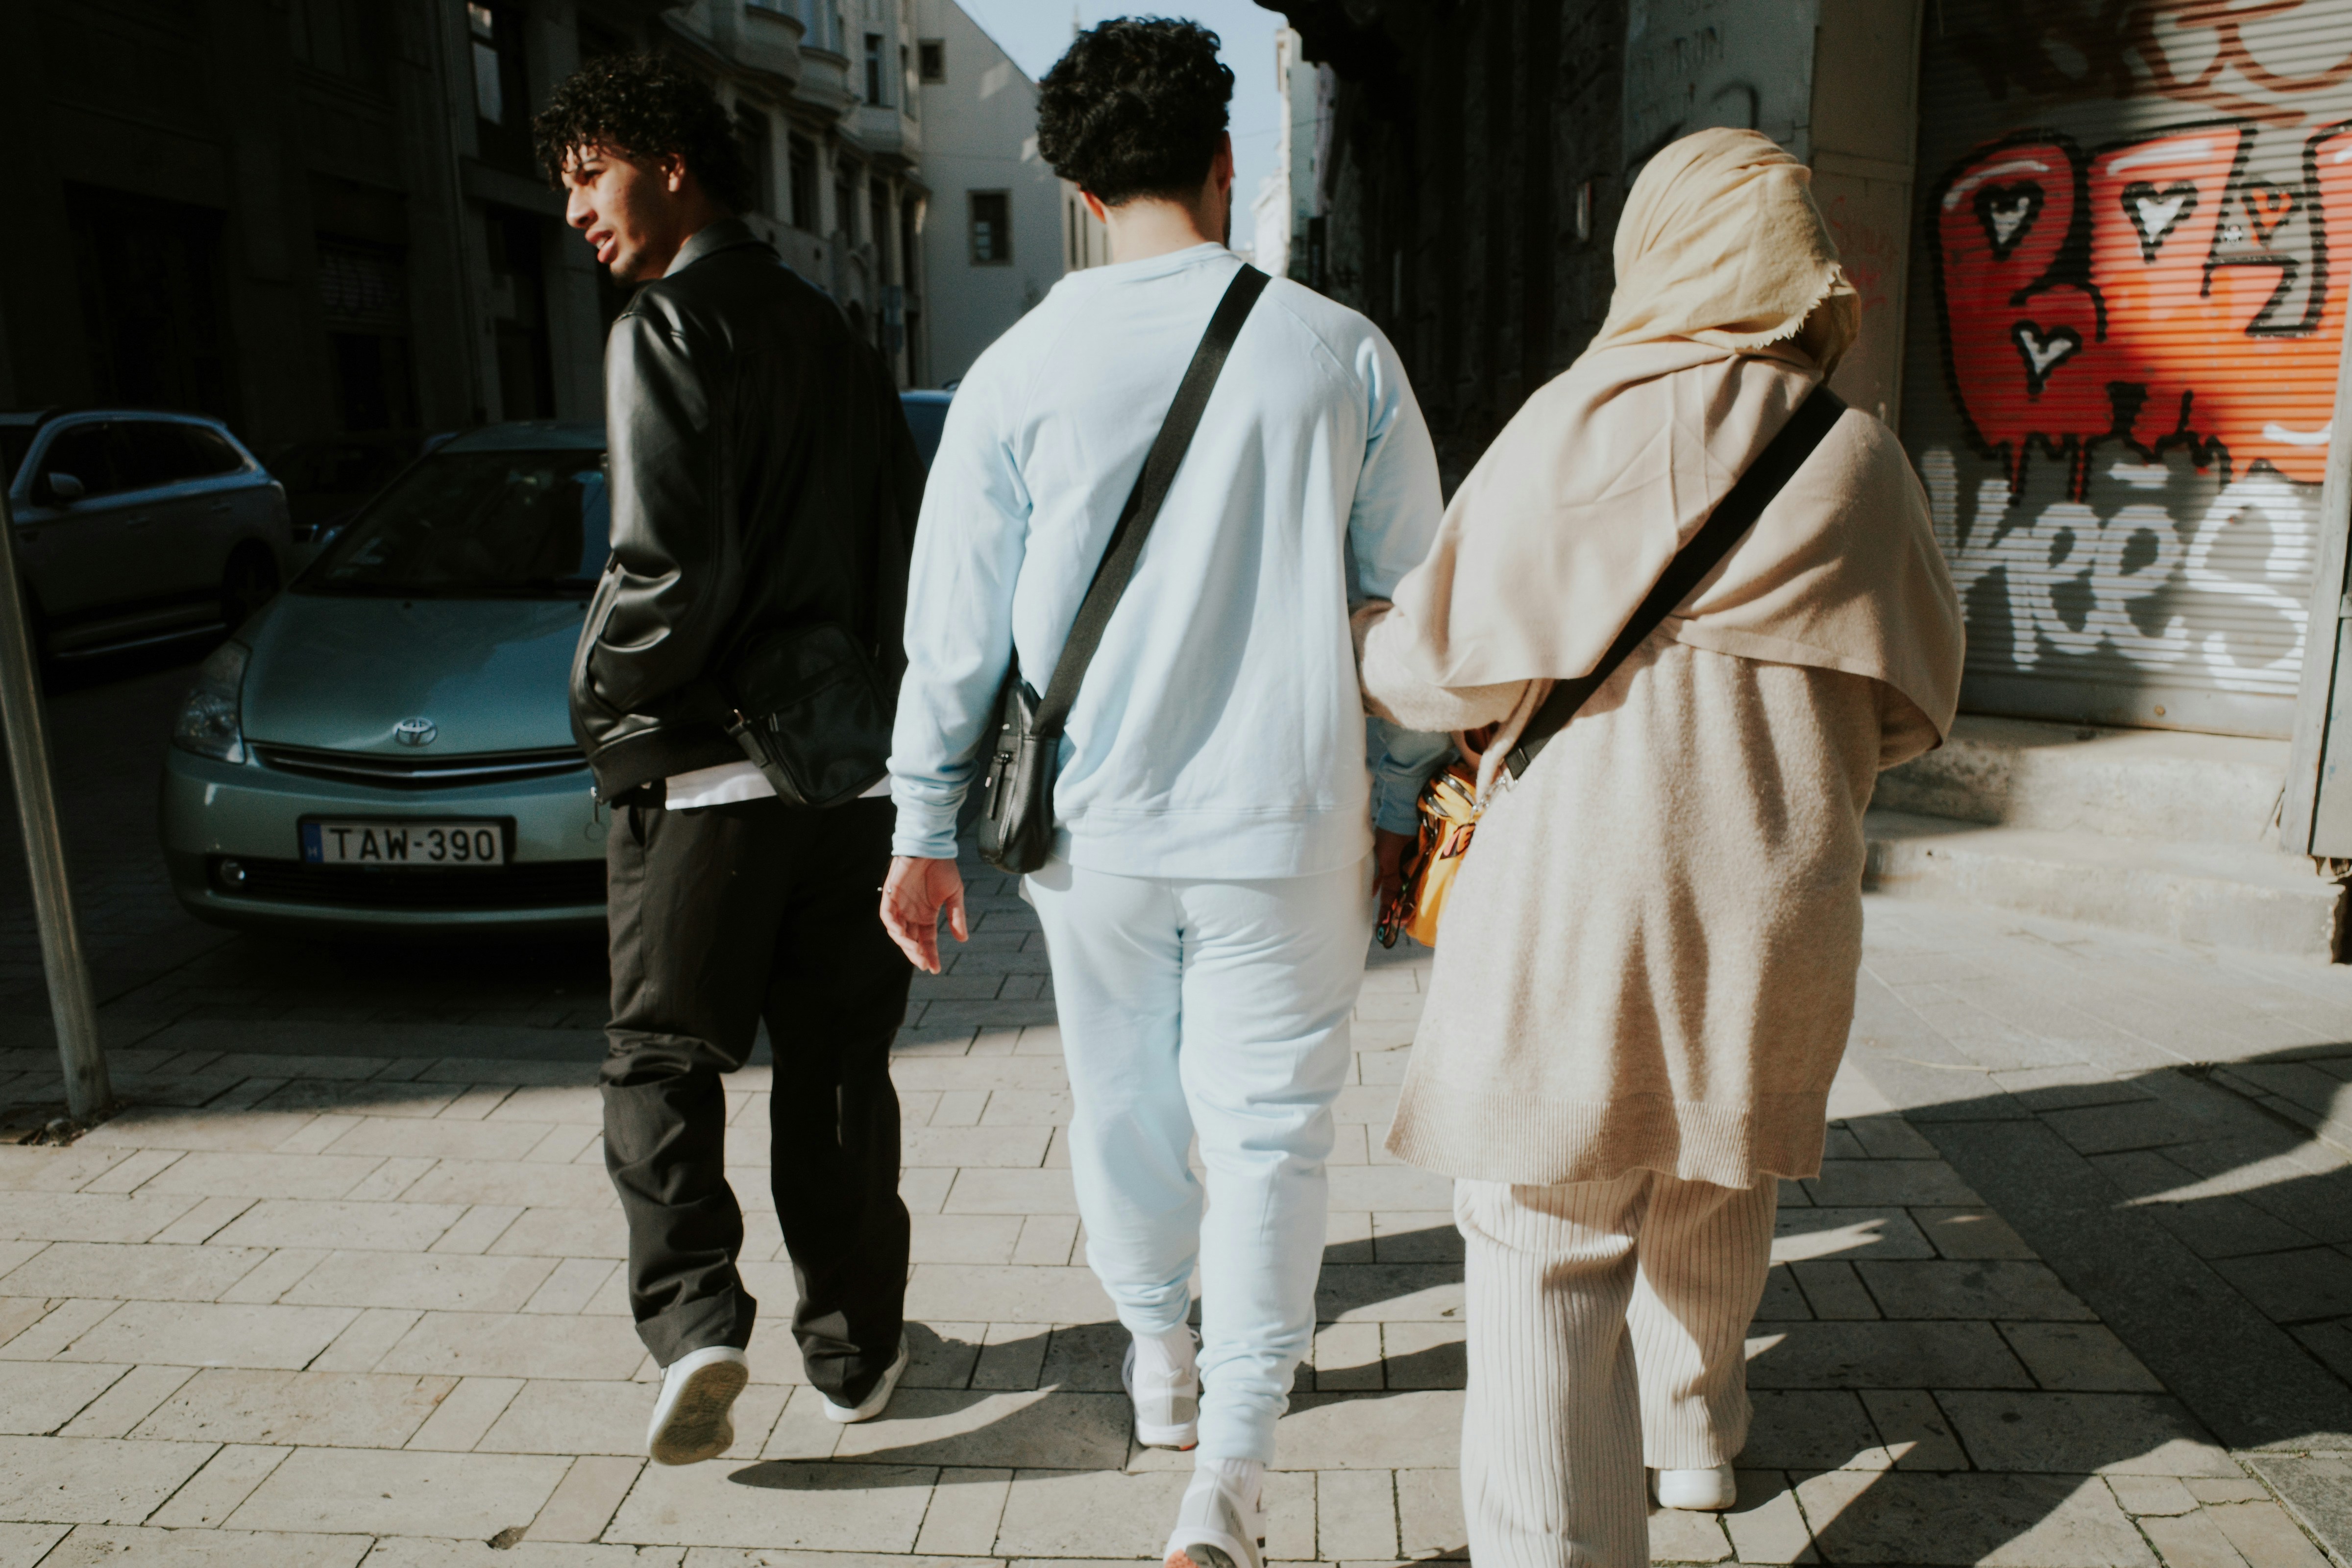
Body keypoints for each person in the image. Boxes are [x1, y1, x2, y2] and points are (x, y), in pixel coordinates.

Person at [878, 19, 1446, 1568]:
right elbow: (1416, 608)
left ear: (1072, 181)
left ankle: (1159, 1366)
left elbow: (954, 636)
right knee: (1272, 1132)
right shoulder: (1340, 350)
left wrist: (923, 825)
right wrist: (1401, 798)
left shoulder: (1013, 373)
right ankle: (1235, 1478)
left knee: (1123, 1105)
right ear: (1227, 158)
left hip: (1097, 835)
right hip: (1296, 822)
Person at [1354, 127, 1965, 1568]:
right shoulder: (1857, 454)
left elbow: (1441, 675)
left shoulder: (1572, 425)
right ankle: (1694, 1438)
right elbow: (1914, 703)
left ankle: (1558, 1551)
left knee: (1542, 1227)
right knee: (1716, 1162)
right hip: (1776, 886)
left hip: (1577, 897)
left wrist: (1375, 646)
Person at [536, 54, 926, 1464]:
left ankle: (698, 1317)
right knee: (835, 1066)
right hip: (849, 779)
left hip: (702, 772)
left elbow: (663, 568)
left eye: (590, 174)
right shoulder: (836, 335)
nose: (576, 211)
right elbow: (901, 558)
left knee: (659, 1057)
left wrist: (597, 698)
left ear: (672, 162)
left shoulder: (666, 326)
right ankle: (855, 1354)